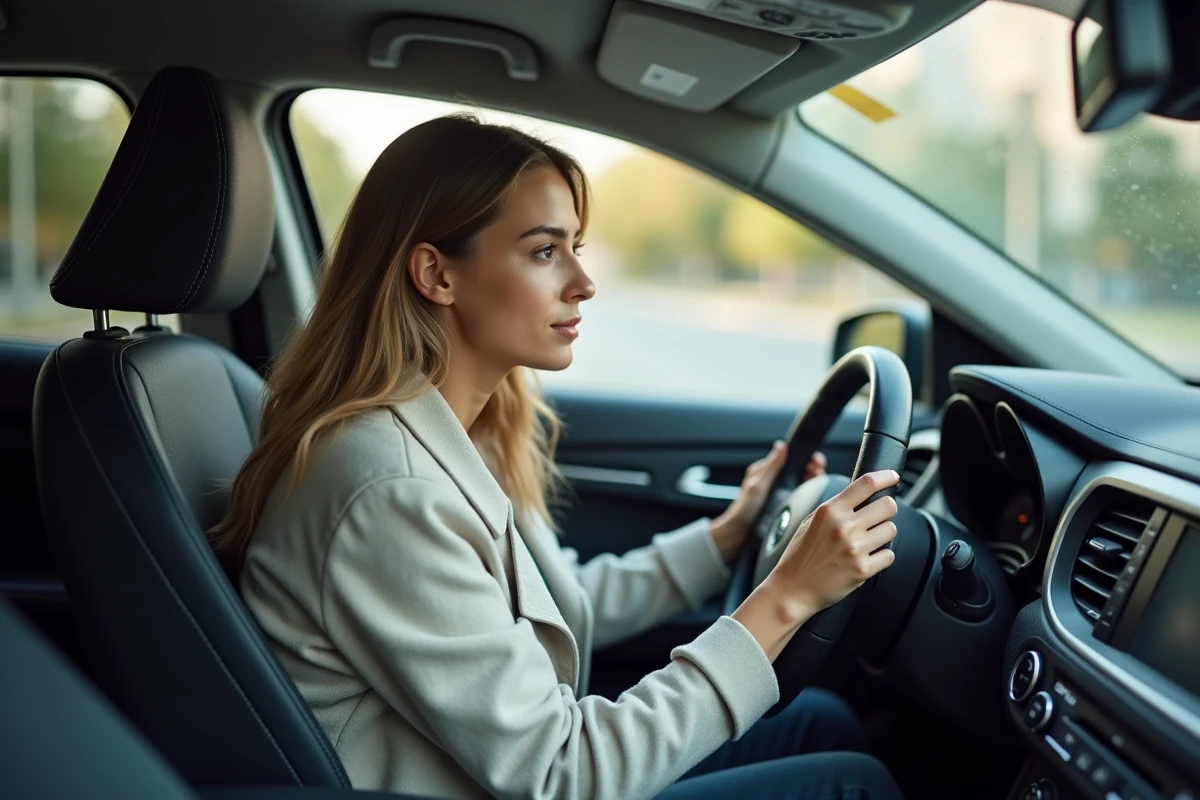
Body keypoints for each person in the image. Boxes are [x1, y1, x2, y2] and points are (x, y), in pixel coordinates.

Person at [216, 114, 904, 800]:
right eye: (545, 251)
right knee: (853, 783)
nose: (583, 281)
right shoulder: (388, 486)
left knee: (819, 722)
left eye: (576, 246)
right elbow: (560, 774)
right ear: (436, 274)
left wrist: (727, 537)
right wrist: (785, 599)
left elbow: (560, 607)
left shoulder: (455, 433)